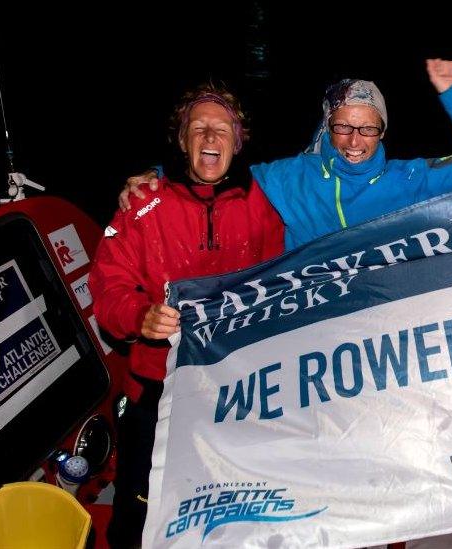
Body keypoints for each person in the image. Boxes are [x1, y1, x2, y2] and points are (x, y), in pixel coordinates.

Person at [89, 83, 284, 548]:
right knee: (140, 510)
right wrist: (140, 316)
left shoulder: (266, 203)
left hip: (237, 386)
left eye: (222, 129)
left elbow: (281, 283)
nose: (209, 137)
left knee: (233, 502)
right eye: (198, 129)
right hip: (158, 388)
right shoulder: (141, 204)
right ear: (182, 141)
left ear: (239, 141)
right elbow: (107, 288)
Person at [120, 59, 452, 249]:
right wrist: (157, 175)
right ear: (328, 126)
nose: (355, 141)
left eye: (367, 129)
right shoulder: (292, 178)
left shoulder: (409, 179)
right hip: (308, 332)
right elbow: (216, 173)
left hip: (382, 321)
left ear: (382, 131)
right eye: (343, 127)